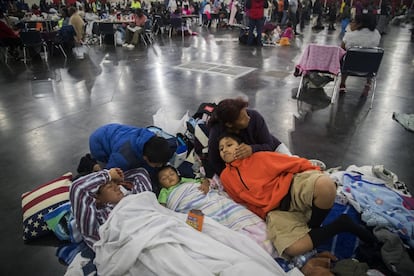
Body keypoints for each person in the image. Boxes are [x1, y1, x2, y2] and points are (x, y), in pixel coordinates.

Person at [218, 133, 377, 257]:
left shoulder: (258, 157)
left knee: (326, 186)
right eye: (221, 148)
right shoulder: (225, 177)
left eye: (229, 145)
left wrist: (314, 172)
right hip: (275, 212)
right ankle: (342, 224)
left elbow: (291, 162)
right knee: (292, 248)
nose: (224, 149)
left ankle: (314, 226)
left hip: (291, 188)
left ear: (241, 146)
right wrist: (264, 214)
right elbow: (243, 202)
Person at [156, 164, 276, 255]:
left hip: (209, 200)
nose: (169, 178)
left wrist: (205, 185)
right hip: (190, 207)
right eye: (164, 178)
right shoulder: (165, 192)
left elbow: (203, 182)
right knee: (201, 225)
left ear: (177, 174)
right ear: (161, 184)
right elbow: (163, 208)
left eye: (171, 174)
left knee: (227, 207)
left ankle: (257, 234)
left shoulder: (187, 181)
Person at [70, 167, 153, 248]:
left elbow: (140, 173)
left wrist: (118, 178)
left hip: (154, 232)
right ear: (96, 198)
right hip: (128, 250)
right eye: (109, 187)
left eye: (116, 184)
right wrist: (108, 175)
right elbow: (78, 189)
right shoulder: (96, 222)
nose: (117, 187)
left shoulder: (133, 198)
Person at [208, 97, 292, 177]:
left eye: (246, 113)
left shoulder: (254, 117)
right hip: (246, 165)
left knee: (295, 165)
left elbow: (269, 145)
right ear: (229, 124)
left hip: (270, 149)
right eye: (242, 118)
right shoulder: (216, 132)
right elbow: (214, 161)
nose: (248, 118)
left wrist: (252, 149)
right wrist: (232, 177)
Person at [89, 123, 173, 192]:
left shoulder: (151, 139)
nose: (159, 166)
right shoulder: (122, 158)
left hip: (114, 131)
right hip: (98, 142)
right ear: (145, 158)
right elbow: (109, 174)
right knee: (112, 177)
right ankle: (92, 164)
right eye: (157, 164)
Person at [339, 13, 381, 97]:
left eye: (353, 21)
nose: (351, 23)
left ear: (360, 23)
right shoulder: (376, 34)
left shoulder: (349, 36)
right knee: (370, 57)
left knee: (344, 57)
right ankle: (368, 84)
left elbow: (341, 49)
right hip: (369, 68)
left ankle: (342, 83)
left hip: (349, 67)